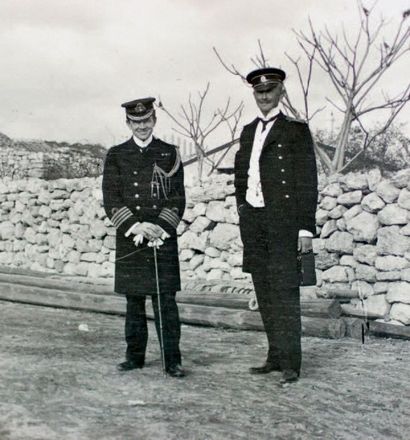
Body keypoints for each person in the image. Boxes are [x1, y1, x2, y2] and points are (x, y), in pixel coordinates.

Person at [234, 68, 318, 384]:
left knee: (285, 293)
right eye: (259, 92)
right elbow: (240, 176)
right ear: (254, 94)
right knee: (264, 291)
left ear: (281, 92)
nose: (265, 97)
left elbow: (308, 181)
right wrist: (243, 209)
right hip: (254, 221)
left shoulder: (296, 130)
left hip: (283, 222)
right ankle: (274, 355)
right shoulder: (247, 131)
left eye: (270, 91)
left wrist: (305, 229)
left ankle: (291, 364)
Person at [102, 97, 186, 378]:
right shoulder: (115, 155)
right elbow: (110, 197)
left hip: (162, 237)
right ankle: (134, 357)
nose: (141, 126)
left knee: (166, 303)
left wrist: (160, 227)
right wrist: (136, 226)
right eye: (135, 122)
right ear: (128, 123)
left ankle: (172, 361)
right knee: (133, 302)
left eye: (146, 120)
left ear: (154, 120)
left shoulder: (170, 153)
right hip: (132, 238)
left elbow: (177, 198)